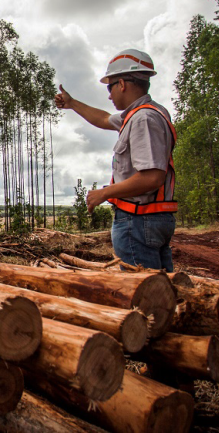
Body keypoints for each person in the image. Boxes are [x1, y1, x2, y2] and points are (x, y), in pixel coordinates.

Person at [55, 49, 177, 271]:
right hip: (150, 219)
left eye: (109, 87)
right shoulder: (144, 113)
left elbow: (152, 177)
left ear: (122, 84)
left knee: (144, 293)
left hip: (139, 220)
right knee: (164, 292)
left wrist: (104, 193)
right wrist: (72, 103)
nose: (109, 95)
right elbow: (102, 118)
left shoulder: (143, 119)